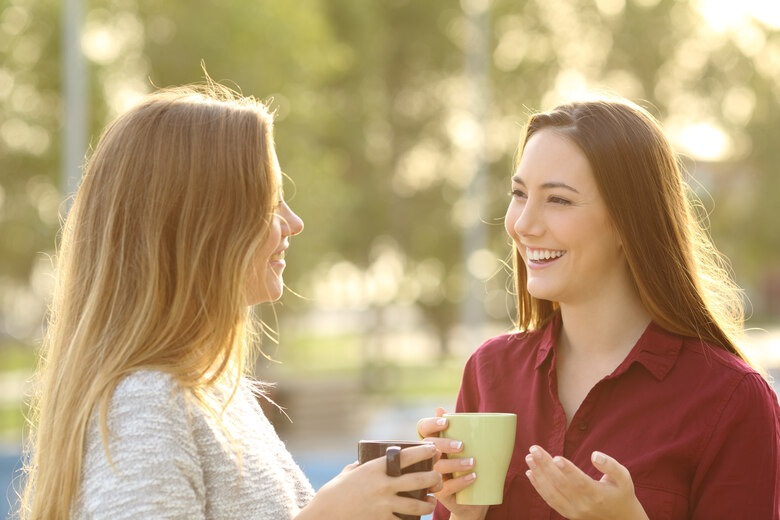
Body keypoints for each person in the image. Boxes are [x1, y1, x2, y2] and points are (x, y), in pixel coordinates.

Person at [18, 82, 442, 520]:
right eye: (267, 201)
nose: (293, 223)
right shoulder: (144, 402)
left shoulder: (217, 392)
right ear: (199, 227)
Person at [418, 98, 780, 519]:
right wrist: (462, 515)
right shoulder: (489, 372)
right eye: (519, 194)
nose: (523, 223)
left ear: (629, 222)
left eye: (558, 200)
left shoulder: (732, 399)